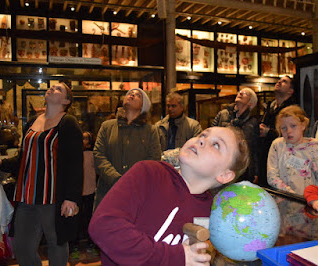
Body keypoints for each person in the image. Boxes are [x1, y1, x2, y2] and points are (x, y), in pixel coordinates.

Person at [88, 127, 250, 265]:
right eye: (202, 135)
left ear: (225, 175)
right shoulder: (148, 173)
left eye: (216, 145)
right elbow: (104, 225)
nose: (202, 141)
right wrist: (177, 257)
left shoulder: (212, 213)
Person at [0, 82, 84, 265]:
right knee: (22, 246)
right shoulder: (32, 121)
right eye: (52, 87)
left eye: (58, 89)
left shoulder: (68, 123)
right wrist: (2, 162)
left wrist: (71, 198)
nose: (52, 89)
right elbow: (24, 158)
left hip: (53, 197)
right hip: (26, 196)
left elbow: (75, 164)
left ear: (66, 101)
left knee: (56, 243)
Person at [93, 88, 161, 208]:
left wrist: (133, 182)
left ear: (143, 107)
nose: (132, 94)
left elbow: (153, 161)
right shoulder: (107, 126)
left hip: (137, 194)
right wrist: (115, 179)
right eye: (130, 93)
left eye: (138, 95)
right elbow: (98, 156)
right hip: (107, 192)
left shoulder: (150, 131)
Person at [267, 105, 318, 195]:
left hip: (308, 199)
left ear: (303, 125)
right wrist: (291, 194)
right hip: (284, 198)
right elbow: (272, 176)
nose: (288, 131)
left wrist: (312, 197)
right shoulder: (277, 145)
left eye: (293, 126)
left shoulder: (315, 147)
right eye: (283, 128)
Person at [211, 87, 259, 183]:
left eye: (245, 93)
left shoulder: (253, 122)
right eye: (239, 92)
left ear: (250, 103)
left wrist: (255, 172)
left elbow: (255, 149)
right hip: (220, 164)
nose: (240, 93)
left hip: (241, 169)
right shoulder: (223, 114)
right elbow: (211, 136)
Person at [259, 76, 296, 186]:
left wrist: (268, 132)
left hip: (282, 155)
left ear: (290, 91)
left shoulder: (292, 108)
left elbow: (291, 133)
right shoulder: (270, 106)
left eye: (284, 81)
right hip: (265, 154)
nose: (279, 82)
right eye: (279, 80)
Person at [70, 131, 98, 260]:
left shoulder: (93, 155)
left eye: (86, 139)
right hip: (77, 193)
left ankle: (90, 243)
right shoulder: (74, 155)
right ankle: (74, 245)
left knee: (89, 219)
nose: (83, 141)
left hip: (90, 191)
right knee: (75, 220)